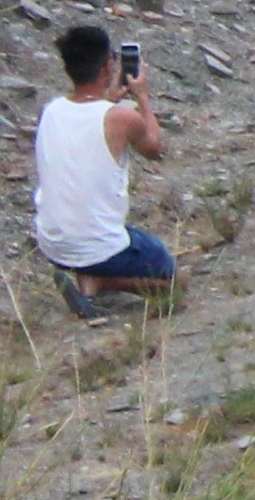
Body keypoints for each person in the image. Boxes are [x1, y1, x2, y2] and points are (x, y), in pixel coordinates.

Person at [34, 21, 171, 315]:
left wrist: (110, 99)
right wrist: (143, 97)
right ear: (109, 65)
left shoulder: (51, 110)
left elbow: (88, 119)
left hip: (52, 243)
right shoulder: (121, 118)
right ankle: (100, 280)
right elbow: (155, 148)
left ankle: (87, 279)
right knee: (174, 278)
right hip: (98, 246)